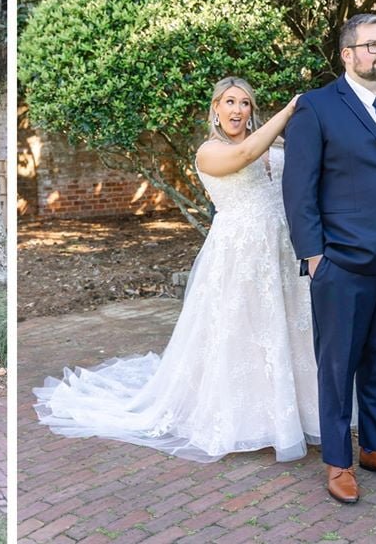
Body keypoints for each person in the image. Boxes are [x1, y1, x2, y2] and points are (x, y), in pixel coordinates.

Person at [34, 77, 319, 463]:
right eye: (229, 102)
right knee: (245, 331)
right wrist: (288, 110)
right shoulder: (209, 152)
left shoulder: (277, 145)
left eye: (246, 103)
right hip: (240, 253)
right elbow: (247, 155)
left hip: (281, 248)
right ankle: (250, 423)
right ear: (215, 108)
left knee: (286, 327)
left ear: (252, 110)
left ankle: (296, 413)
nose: (237, 110)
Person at [282, 13, 376, 504]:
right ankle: (337, 461)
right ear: (348, 55)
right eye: (372, 46)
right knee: (338, 364)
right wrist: (313, 255)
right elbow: (298, 188)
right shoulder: (318, 108)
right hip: (343, 262)